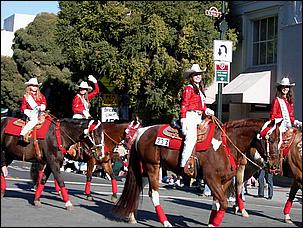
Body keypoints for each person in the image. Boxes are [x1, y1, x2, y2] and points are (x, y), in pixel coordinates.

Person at [180, 63, 214, 175]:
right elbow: (184, 104)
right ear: (191, 76)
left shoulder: (199, 89)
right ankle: (184, 164)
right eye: (195, 75)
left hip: (198, 116)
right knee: (191, 138)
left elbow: (201, 105)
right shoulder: (189, 88)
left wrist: (206, 110)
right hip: (190, 116)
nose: (198, 76)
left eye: (199, 74)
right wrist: (183, 119)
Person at [18, 78, 47, 143]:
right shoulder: (26, 96)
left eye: (36, 86)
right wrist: (26, 111)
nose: (35, 87)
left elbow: (44, 103)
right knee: (34, 120)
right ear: (29, 86)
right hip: (30, 112)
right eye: (33, 85)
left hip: (39, 111)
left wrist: (42, 107)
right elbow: (23, 106)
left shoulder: (41, 95)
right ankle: (22, 134)